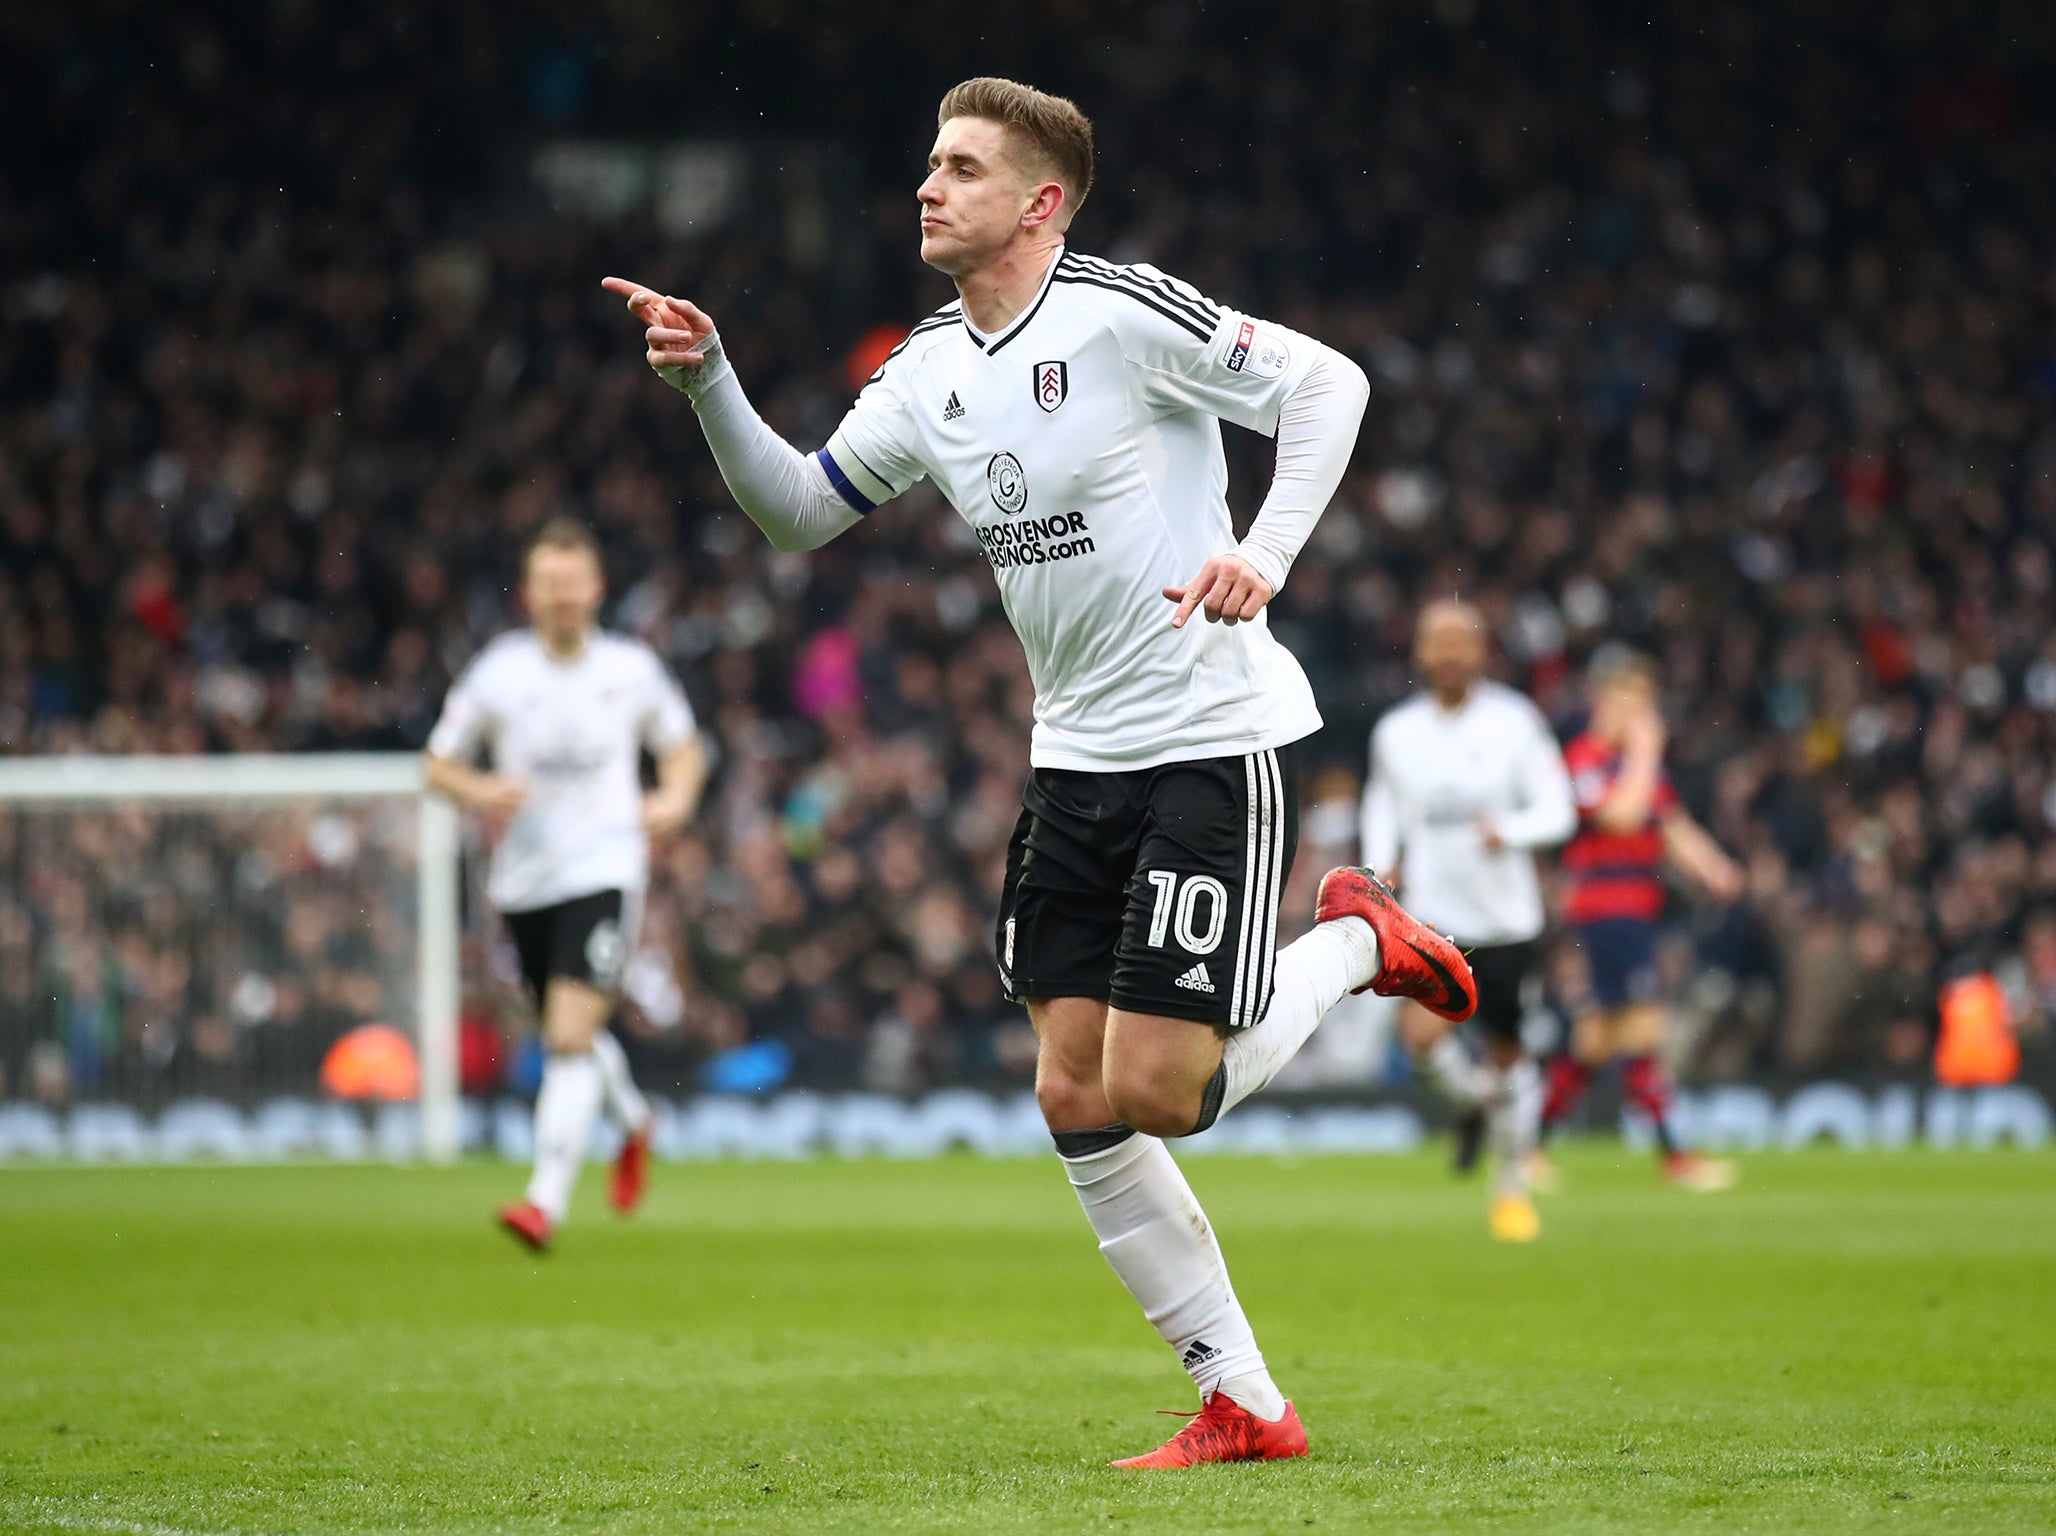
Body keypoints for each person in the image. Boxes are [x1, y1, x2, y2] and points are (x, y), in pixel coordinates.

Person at [603, 77, 1475, 1467]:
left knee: (1161, 1091)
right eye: (927, 164)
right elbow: (793, 514)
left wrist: (1268, 553)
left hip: (1204, 735)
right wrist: (710, 381)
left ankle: (1357, 945)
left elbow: (1329, 384)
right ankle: (1245, 1401)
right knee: (1071, 1090)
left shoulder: (1124, 313)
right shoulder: (928, 367)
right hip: (1071, 760)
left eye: (960, 167)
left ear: (1040, 200)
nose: (927, 187)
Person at [425, 518, 708, 1249]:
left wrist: (674, 801)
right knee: (567, 1028)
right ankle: (637, 1121)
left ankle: (542, 1201)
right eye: (549, 584)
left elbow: (682, 750)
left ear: (596, 589)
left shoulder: (630, 669)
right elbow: (437, 764)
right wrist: (479, 790)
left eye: (572, 582)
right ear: (529, 593)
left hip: (606, 869)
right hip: (523, 881)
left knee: (567, 1036)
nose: (561, 596)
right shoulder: (498, 674)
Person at [1362, 600, 1575, 1241]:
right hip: (1434, 921)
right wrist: (1375, 872)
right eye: (1438, 641)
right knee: (1419, 1041)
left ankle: (1510, 1189)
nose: (1450, 653)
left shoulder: (1516, 723)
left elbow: (1558, 809)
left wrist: (1507, 830)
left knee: (1509, 1055)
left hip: (1507, 922)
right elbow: (1383, 807)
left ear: (1482, 653)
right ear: (1421, 653)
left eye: (1463, 641)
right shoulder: (1397, 733)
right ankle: (1479, 1107)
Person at [1540, 648, 1742, 1190]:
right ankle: (1675, 1156)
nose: (1642, 715)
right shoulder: (1583, 760)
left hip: (1635, 912)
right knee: (1642, 1027)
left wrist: (1716, 868)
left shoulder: (1636, 767)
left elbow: (1669, 823)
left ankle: (1529, 1147)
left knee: (1595, 1040)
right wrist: (1647, 753)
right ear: (1604, 702)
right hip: (1603, 914)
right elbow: (1622, 815)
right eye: (1633, 702)